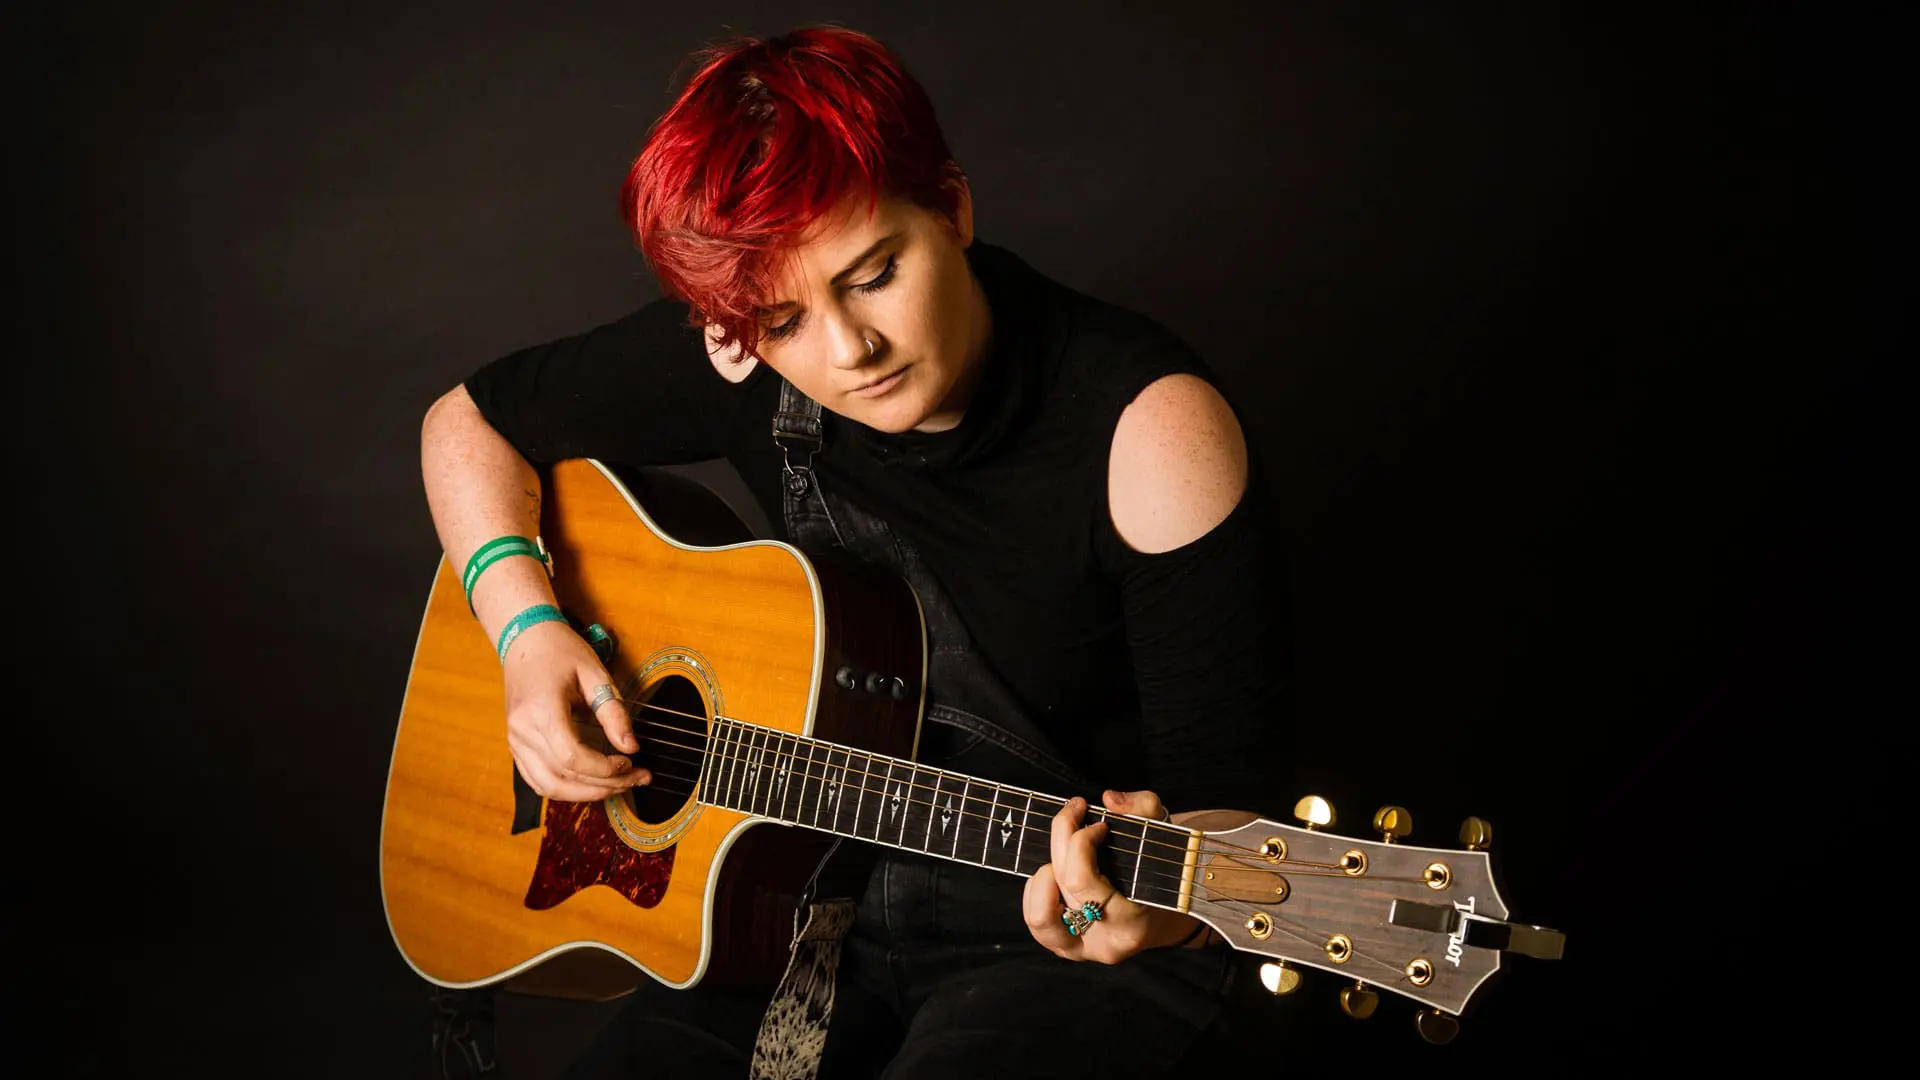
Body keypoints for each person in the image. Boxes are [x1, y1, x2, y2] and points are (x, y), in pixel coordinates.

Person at [419, 24, 1291, 1079]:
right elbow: (466, 422)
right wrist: (525, 628)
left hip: (1062, 940)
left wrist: (1156, 911)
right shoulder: (748, 346)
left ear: (954, 208)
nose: (847, 351)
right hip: (805, 901)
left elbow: (1235, 830)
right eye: (783, 320)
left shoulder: (1152, 434)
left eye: (875, 274)